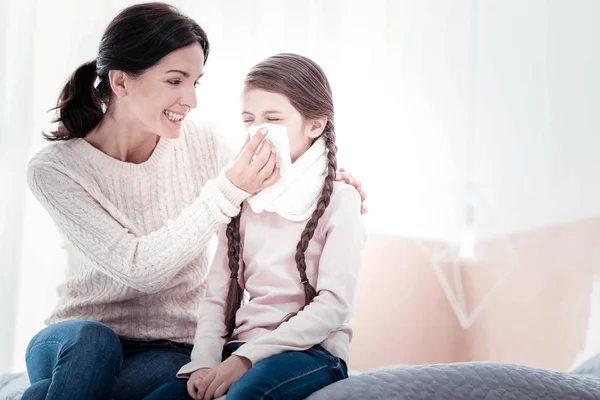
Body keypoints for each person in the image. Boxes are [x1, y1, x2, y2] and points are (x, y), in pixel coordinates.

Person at [22, 3, 366, 400]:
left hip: (166, 346)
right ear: (120, 82)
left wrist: (328, 180)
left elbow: (275, 182)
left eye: (195, 82)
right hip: (74, 339)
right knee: (93, 341)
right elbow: (138, 267)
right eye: (175, 81)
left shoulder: (205, 143)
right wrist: (228, 188)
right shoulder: (55, 169)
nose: (191, 100)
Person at [145, 53, 366, 400]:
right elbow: (217, 300)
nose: (258, 131)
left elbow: (333, 306)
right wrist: (203, 362)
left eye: (273, 118)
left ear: (315, 125)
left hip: (312, 352)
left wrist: (246, 360)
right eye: (249, 120)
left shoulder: (341, 199)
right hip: (239, 347)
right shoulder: (242, 199)